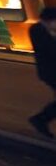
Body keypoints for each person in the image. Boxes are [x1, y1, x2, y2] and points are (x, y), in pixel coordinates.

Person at [27, 7, 56, 138]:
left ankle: (40, 119)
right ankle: (40, 119)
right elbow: (49, 50)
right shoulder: (37, 30)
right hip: (50, 71)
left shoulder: (48, 30)